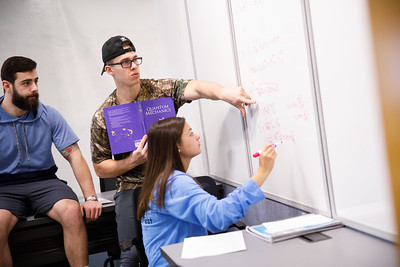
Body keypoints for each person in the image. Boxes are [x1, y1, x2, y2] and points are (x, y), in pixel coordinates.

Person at [90, 35, 256, 266]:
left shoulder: (159, 89)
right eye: (125, 62)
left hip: (170, 179)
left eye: (135, 59)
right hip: (132, 187)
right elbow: (100, 167)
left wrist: (222, 93)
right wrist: (133, 161)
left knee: (202, 237)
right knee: (131, 255)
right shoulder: (103, 116)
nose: (134, 66)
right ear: (109, 70)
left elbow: (196, 87)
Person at [0, 56, 103, 267]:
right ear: (7, 86)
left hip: (44, 181)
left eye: (36, 81)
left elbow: (74, 154)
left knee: (73, 210)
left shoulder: (48, 114)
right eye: (26, 83)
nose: (34, 88)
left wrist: (90, 197)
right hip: (4, 187)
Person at [137, 117, 277, 266]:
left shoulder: (162, 179)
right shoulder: (174, 183)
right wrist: (261, 172)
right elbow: (218, 217)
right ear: (177, 145)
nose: (197, 136)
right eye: (190, 134)